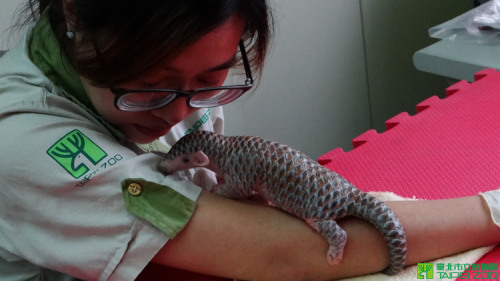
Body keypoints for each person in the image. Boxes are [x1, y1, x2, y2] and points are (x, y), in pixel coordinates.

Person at [0, 0, 499, 280]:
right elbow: (276, 251)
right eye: (149, 87)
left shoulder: (184, 84)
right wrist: (491, 212)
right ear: (72, 14)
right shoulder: (26, 141)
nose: (179, 111)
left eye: (209, 81)